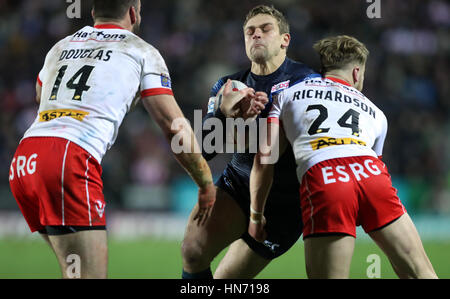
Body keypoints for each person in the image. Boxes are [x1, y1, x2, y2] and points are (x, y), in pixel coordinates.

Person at [8, 0, 216, 278]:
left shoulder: (61, 46)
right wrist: (204, 181)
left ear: (94, 12)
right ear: (134, 11)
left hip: (25, 160)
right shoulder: (142, 51)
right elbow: (174, 125)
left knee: (74, 272)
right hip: (68, 157)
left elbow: (39, 94)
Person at [248, 35, 438, 278]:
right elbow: (371, 163)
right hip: (371, 174)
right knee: (421, 273)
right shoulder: (377, 113)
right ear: (357, 73)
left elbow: (265, 158)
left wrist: (256, 215)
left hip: (324, 175)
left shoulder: (286, 95)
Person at [181, 5, 319, 279]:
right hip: (237, 185)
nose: (256, 35)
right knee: (192, 252)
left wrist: (264, 117)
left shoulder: (307, 81)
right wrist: (224, 113)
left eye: (265, 29)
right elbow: (206, 151)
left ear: (284, 39)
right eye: (249, 31)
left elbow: (301, 148)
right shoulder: (228, 85)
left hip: (283, 203)